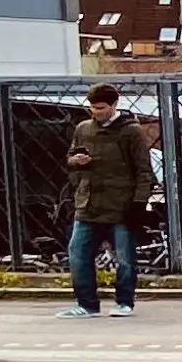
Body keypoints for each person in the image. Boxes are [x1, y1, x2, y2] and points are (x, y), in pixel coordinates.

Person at [63, 84, 153, 314]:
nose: (96, 112)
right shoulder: (83, 128)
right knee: (78, 253)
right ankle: (86, 304)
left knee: (125, 257)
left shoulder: (131, 131)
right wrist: (77, 161)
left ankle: (124, 301)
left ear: (114, 105)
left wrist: (138, 203)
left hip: (121, 204)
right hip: (89, 202)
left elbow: (144, 170)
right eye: (93, 107)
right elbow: (70, 157)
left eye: (101, 108)